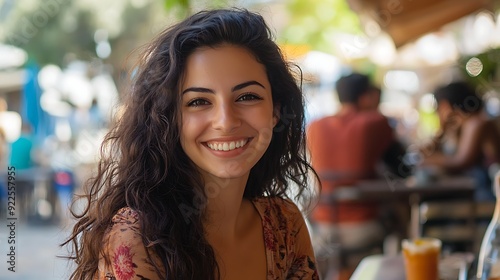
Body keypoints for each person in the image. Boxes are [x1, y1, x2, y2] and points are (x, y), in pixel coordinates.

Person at [63, 8, 319, 280]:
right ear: (169, 119)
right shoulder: (139, 238)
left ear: (275, 111)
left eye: (247, 97)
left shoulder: (285, 225)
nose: (226, 121)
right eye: (198, 101)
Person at [306, 72, 409, 269]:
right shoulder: (375, 121)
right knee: (403, 212)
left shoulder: (315, 125)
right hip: (364, 225)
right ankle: (401, 268)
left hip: (323, 225)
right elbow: (402, 168)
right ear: (366, 96)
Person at [421, 81, 500, 201]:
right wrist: (442, 131)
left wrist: (427, 160)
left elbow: (460, 162)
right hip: (480, 193)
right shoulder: (463, 125)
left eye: (438, 108)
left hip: (488, 195)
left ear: (445, 106)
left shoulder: (476, 122)